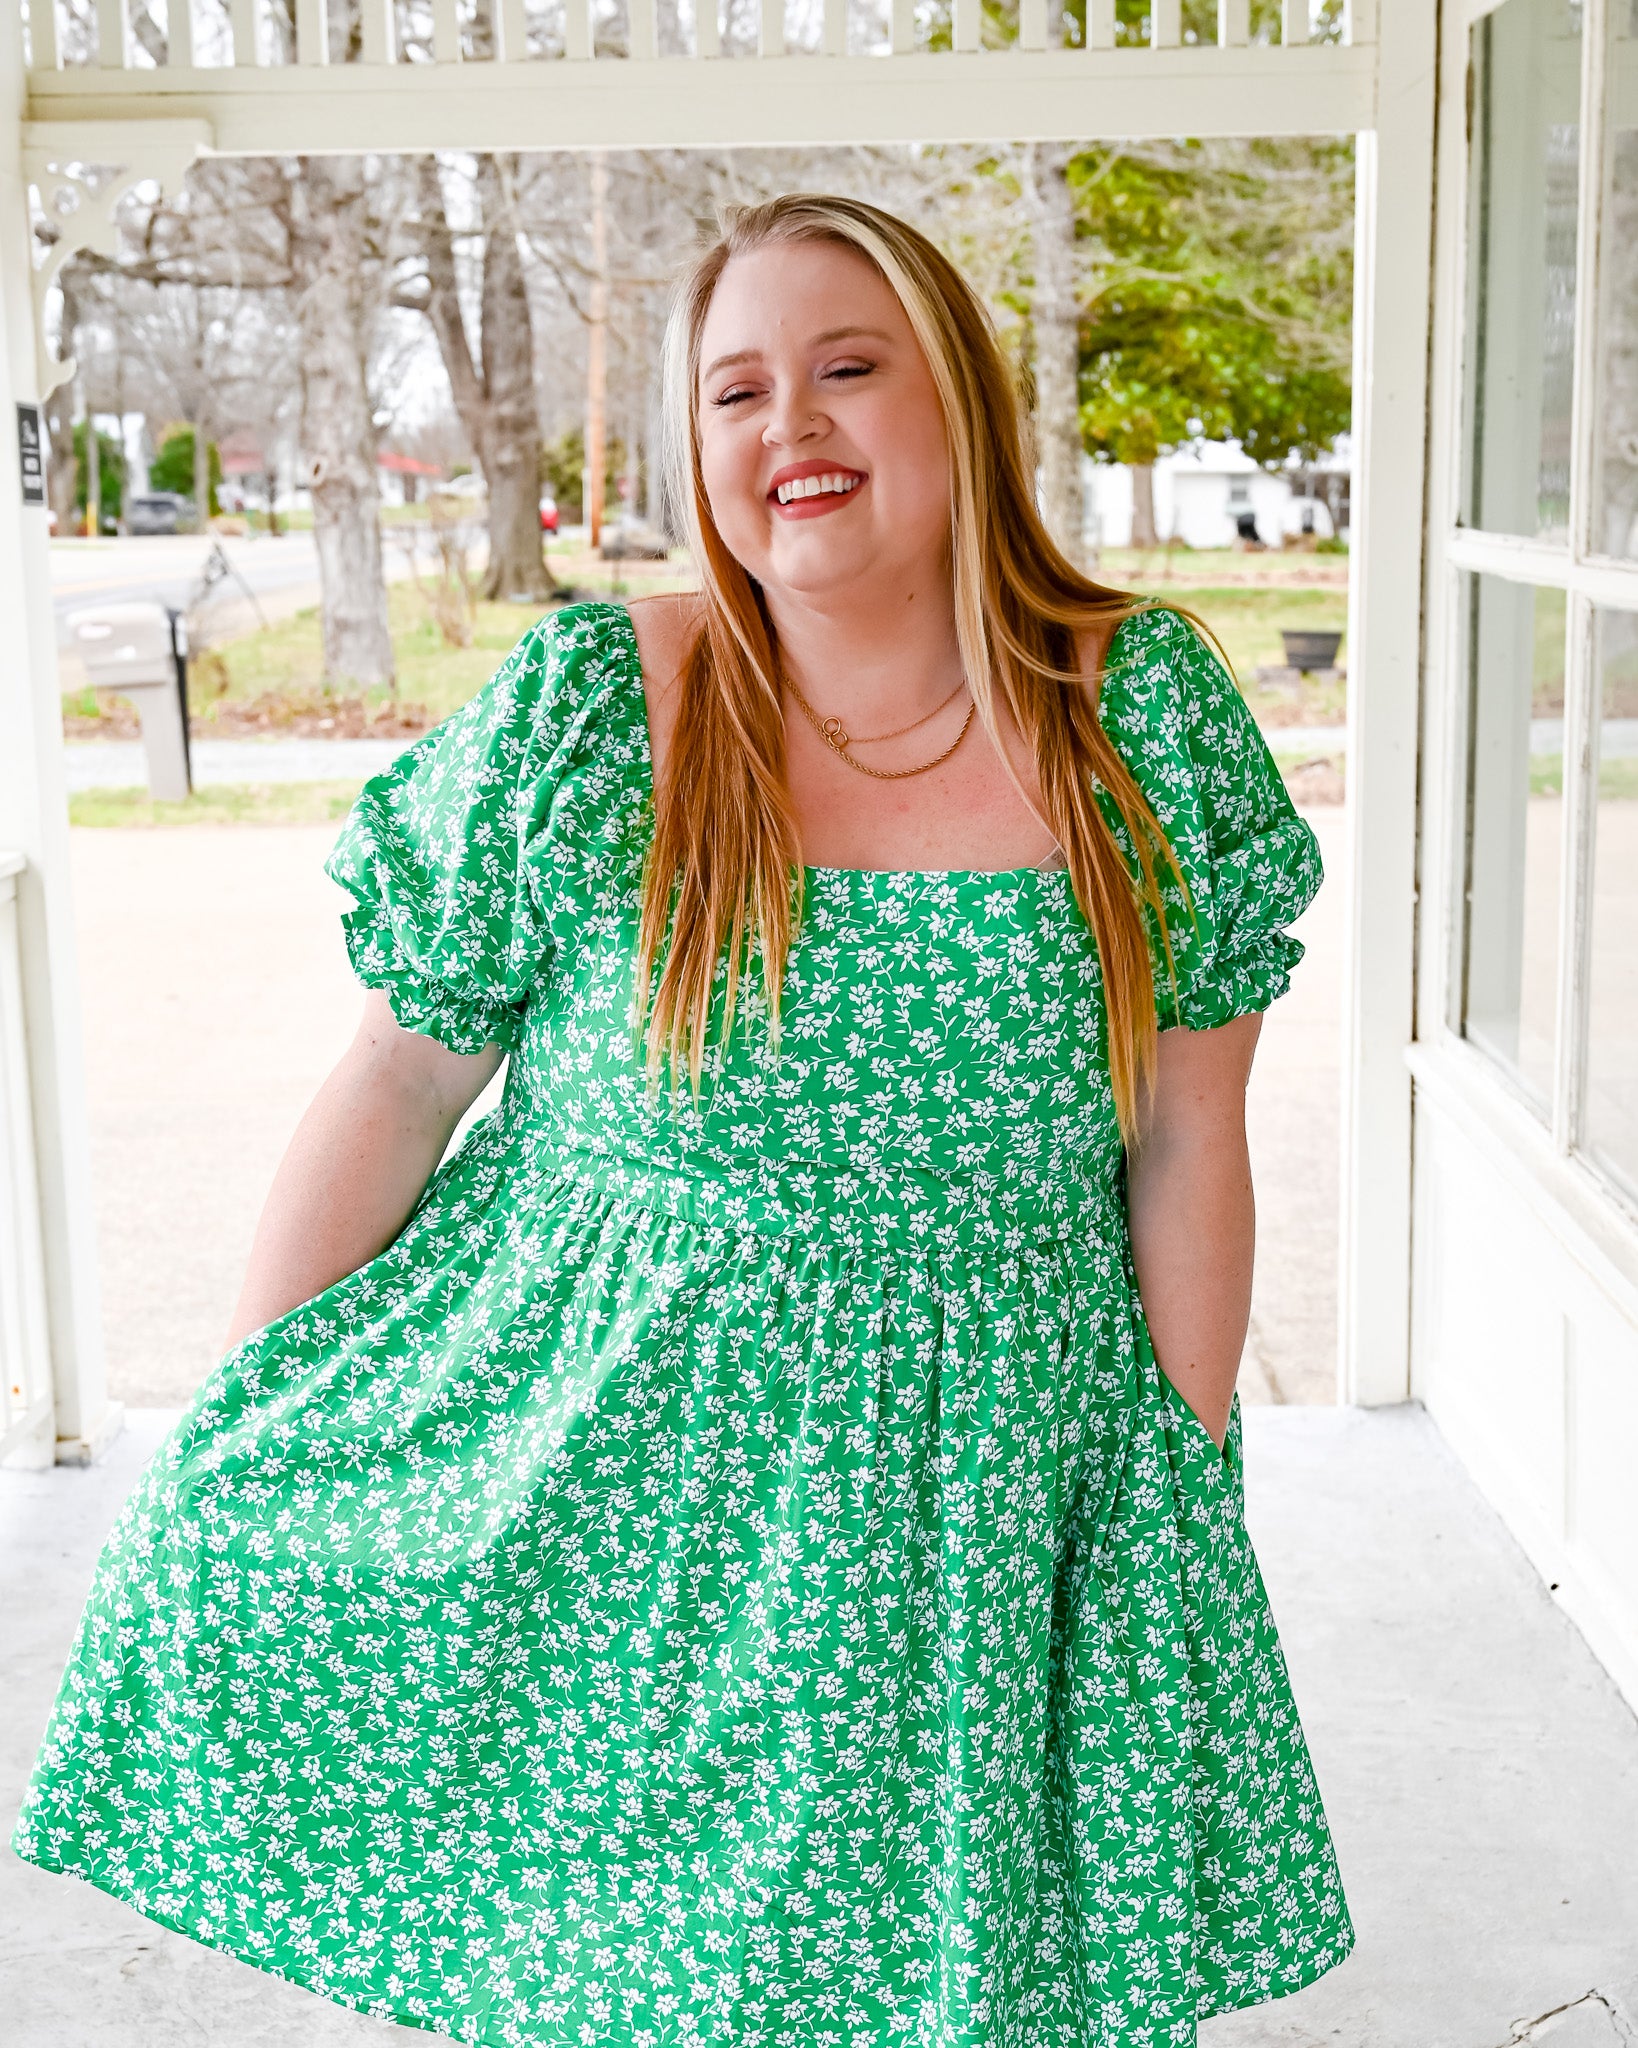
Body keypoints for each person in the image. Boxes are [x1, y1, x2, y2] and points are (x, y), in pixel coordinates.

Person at [13, 194, 1353, 2045]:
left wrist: (1175, 1483)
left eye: (845, 369)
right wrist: (261, 1394)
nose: (786, 425)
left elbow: (1189, 1136)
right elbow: (400, 1079)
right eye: (735, 391)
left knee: (943, 1992)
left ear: (959, 401)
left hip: (965, 1504)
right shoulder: (601, 709)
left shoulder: (1136, 720)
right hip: (604, 1490)